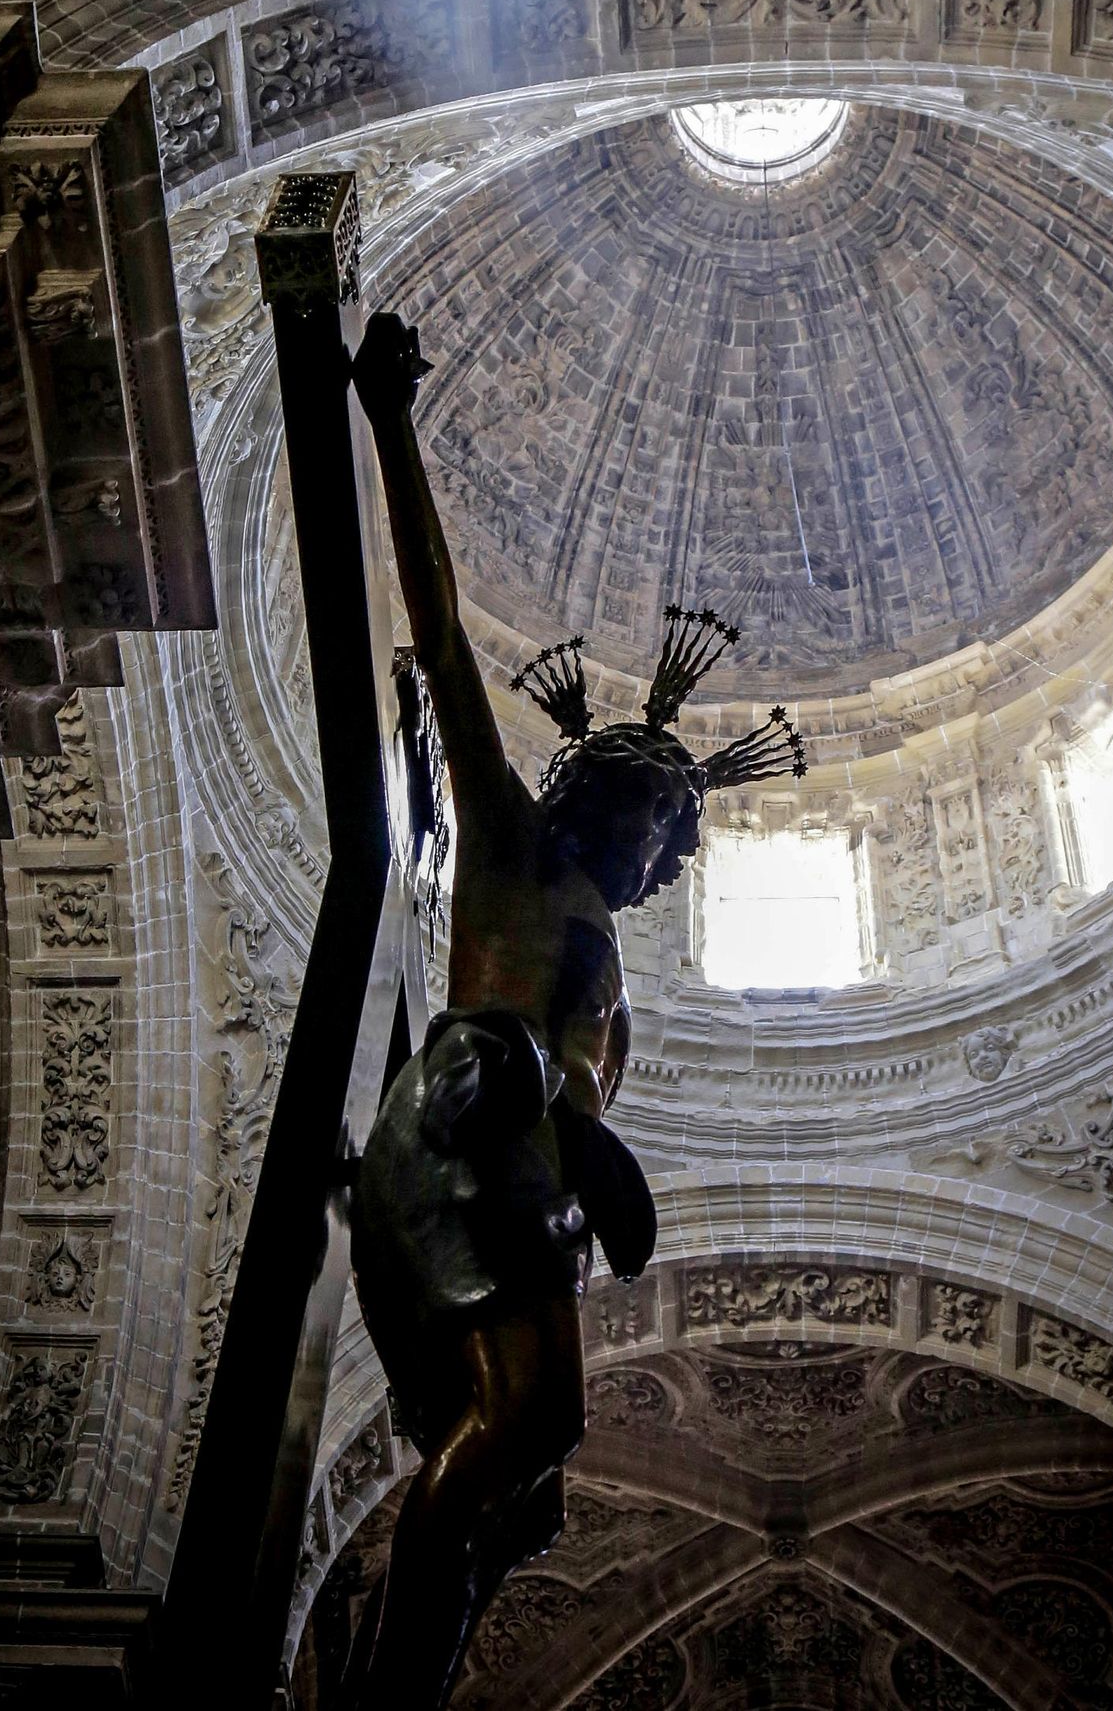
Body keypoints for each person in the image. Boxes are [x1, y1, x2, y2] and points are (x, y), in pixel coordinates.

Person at [345, 310, 804, 1710]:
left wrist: (592, 1154)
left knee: (531, 1471)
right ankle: (394, 1669)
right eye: (640, 796)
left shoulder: (608, 971)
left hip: (530, 1174)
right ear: (581, 789)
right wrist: (389, 422)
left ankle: (438, 1611)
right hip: (475, 1113)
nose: (653, 827)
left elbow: (593, 1120)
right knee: (535, 1417)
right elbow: (437, 629)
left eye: (669, 823)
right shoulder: (510, 851)